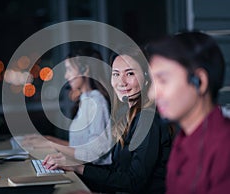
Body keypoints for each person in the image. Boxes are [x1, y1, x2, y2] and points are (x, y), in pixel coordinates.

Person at [42, 46, 173, 194]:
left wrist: (79, 167)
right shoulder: (127, 116)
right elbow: (116, 172)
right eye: (116, 74)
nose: (121, 82)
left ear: (147, 78)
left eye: (129, 73)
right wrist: (74, 167)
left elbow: (134, 182)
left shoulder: (148, 119)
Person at [145, 31, 230, 194]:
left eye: (162, 80)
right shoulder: (183, 138)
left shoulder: (224, 148)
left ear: (200, 81)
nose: (152, 94)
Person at [23, 47, 112, 165]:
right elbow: (79, 146)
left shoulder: (97, 102)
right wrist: (48, 139)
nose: (66, 76)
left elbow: (93, 153)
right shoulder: (86, 99)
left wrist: (50, 144)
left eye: (69, 69)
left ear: (85, 70)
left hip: (93, 175)